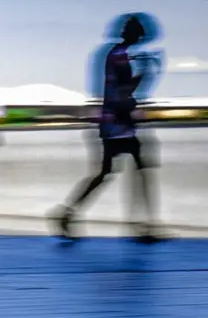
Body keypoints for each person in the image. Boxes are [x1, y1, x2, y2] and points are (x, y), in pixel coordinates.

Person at [53, 14, 160, 244]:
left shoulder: (113, 54)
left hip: (113, 122)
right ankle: (142, 226)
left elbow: (118, 89)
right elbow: (123, 91)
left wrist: (144, 72)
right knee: (136, 170)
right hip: (118, 124)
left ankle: (68, 213)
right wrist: (148, 72)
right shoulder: (120, 56)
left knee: (114, 172)